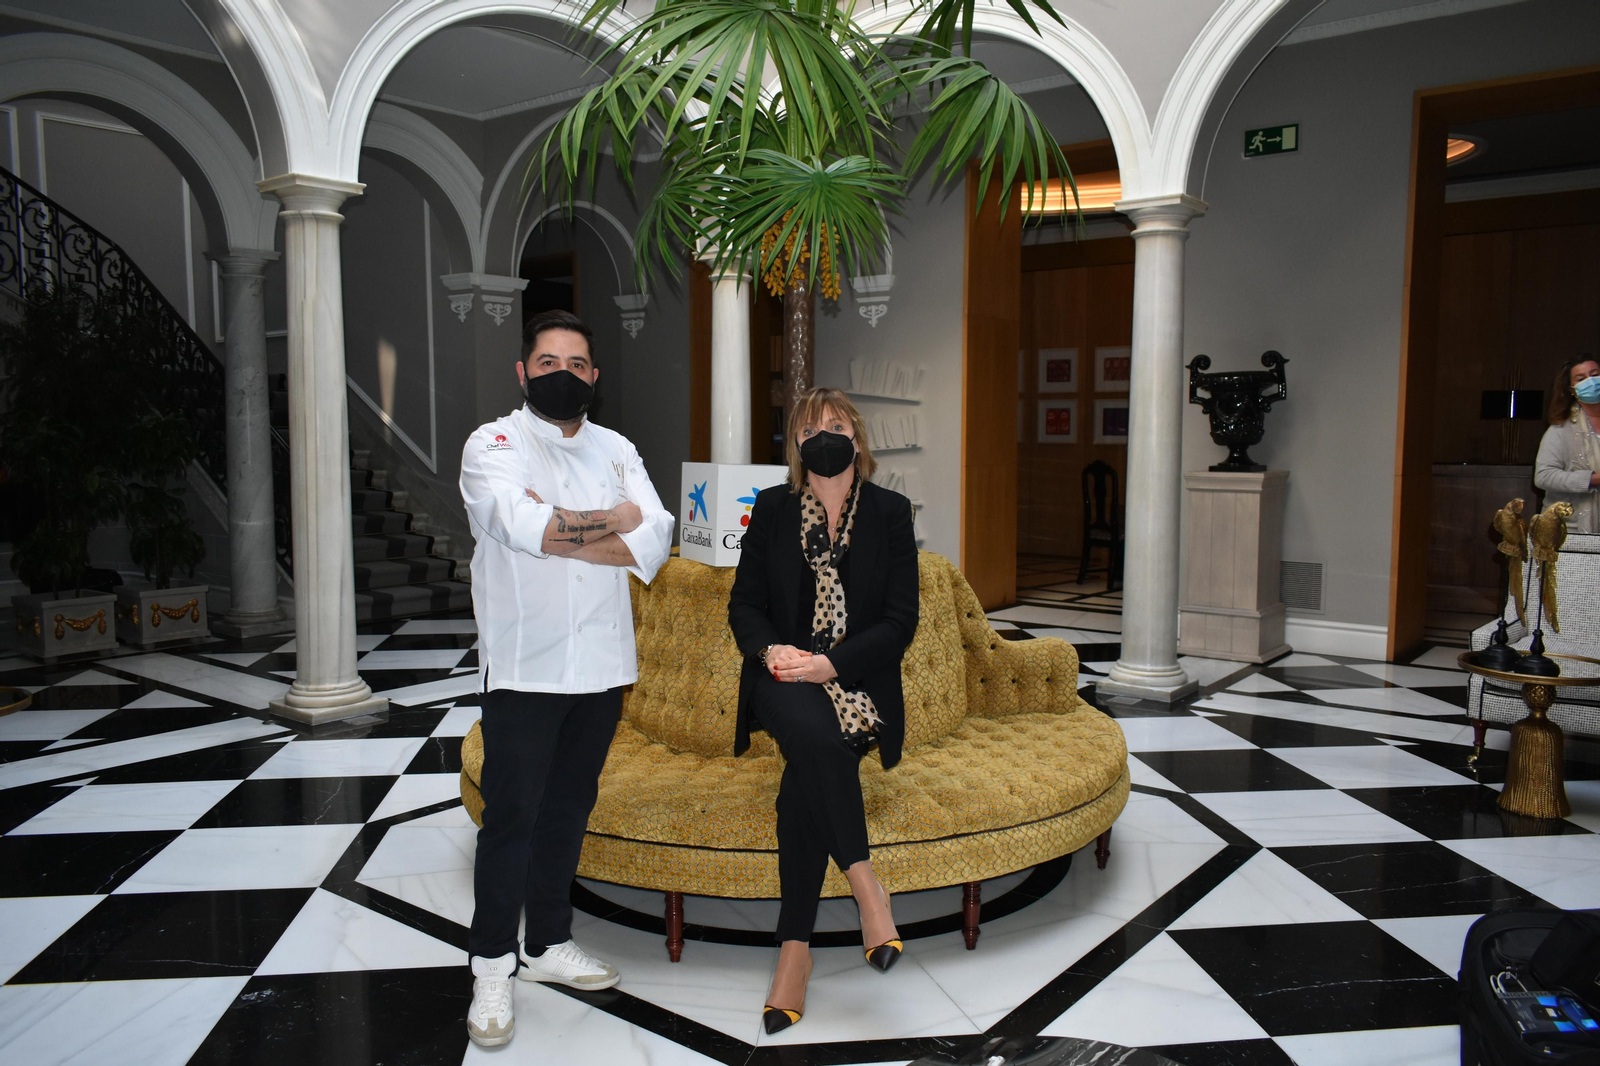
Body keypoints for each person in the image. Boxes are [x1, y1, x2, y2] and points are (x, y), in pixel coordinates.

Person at [458, 309, 673, 1048]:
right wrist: (607, 524)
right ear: (524, 373)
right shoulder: (493, 445)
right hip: (526, 667)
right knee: (512, 817)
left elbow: (655, 537)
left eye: (576, 363)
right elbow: (525, 528)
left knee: (568, 809)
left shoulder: (617, 447)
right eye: (547, 362)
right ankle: (491, 965)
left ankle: (547, 943)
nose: (562, 374)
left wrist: (572, 531)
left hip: (603, 667)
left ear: (595, 377)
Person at [727, 386, 920, 1034]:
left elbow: (900, 621)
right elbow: (744, 606)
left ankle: (794, 954)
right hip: (783, 678)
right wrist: (775, 650)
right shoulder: (774, 510)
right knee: (811, 735)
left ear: (857, 439)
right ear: (797, 446)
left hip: (856, 684)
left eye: (835, 424)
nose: (824, 435)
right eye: (810, 427)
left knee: (804, 776)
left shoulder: (891, 513)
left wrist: (830, 665)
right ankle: (868, 889)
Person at [1536, 356, 1600, 535]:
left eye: (1595, 375)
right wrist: (1591, 479)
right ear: (1572, 389)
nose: (1591, 382)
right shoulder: (1561, 429)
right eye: (1581, 379)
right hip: (1571, 530)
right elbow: (1543, 476)